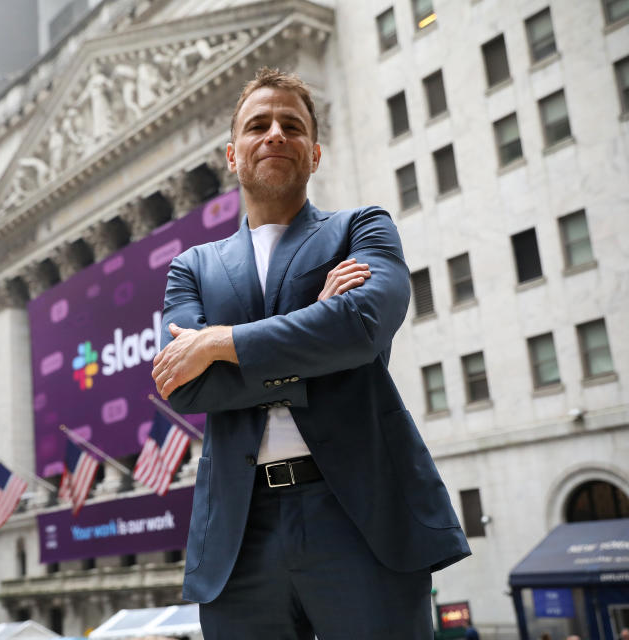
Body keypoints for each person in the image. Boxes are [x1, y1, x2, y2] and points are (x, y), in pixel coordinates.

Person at [152, 67, 470, 639]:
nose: (275, 134)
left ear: (315, 153)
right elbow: (187, 384)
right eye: (258, 125)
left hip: (361, 517)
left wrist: (221, 343)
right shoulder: (191, 267)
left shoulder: (363, 229)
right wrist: (317, 335)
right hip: (239, 537)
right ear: (232, 153)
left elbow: (363, 328)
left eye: (291, 126)